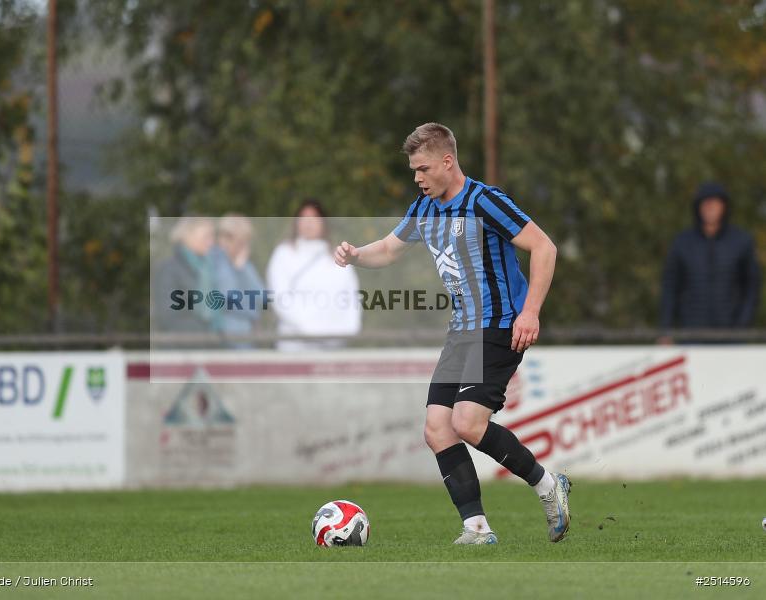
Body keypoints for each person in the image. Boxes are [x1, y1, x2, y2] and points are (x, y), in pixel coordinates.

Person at [334, 123, 568, 545]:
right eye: (413, 171)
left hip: (499, 325)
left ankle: (548, 486)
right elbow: (388, 249)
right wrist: (355, 256)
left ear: (447, 161)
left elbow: (544, 247)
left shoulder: (486, 201)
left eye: (423, 168)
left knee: (467, 422)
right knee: (437, 428)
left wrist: (530, 311)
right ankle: (476, 528)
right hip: (462, 330)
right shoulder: (424, 208)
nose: (417, 178)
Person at [660, 182, 760, 339]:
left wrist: (742, 326)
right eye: (705, 203)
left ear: (724, 206)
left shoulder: (742, 242)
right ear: (698, 207)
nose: (710, 208)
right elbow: (670, 286)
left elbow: (751, 288)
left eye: (715, 203)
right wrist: (666, 329)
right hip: (691, 335)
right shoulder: (682, 243)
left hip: (730, 335)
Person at [267, 200, 362, 351]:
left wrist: (348, 330)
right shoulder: (283, 254)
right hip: (294, 347)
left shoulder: (338, 256)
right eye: (304, 217)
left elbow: (352, 298)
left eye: (314, 217)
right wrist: (311, 330)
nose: (309, 223)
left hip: (334, 348)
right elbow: (279, 298)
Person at [153, 217, 219, 336]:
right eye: (206, 237)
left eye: (212, 237)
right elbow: (167, 315)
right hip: (182, 346)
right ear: (187, 236)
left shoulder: (210, 268)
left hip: (210, 343)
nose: (211, 242)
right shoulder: (169, 269)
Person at [211, 214, 265, 347]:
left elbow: (262, 298)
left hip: (247, 336)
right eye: (241, 240)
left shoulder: (244, 264)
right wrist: (251, 311)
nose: (244, 246)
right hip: (227, 336)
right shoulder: (216, 261)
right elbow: (228, 299)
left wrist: (241, 269)